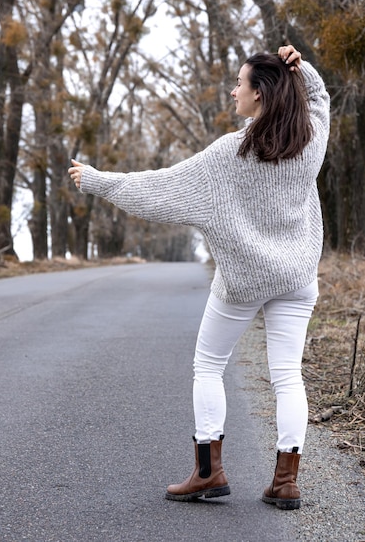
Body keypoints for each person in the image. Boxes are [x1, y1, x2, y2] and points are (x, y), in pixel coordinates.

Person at [68, 45, 330, 510]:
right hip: (297, 277)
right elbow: (318, 97)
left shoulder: (227, 156)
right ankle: (286, 482)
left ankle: (208, 474)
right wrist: (300, 65)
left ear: (260, 95)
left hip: (243, 283)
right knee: (288, 375)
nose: (233, 91)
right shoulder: (309, 141)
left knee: (209, 365)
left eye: (240, 83)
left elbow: (157, 188)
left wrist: (97, 179)